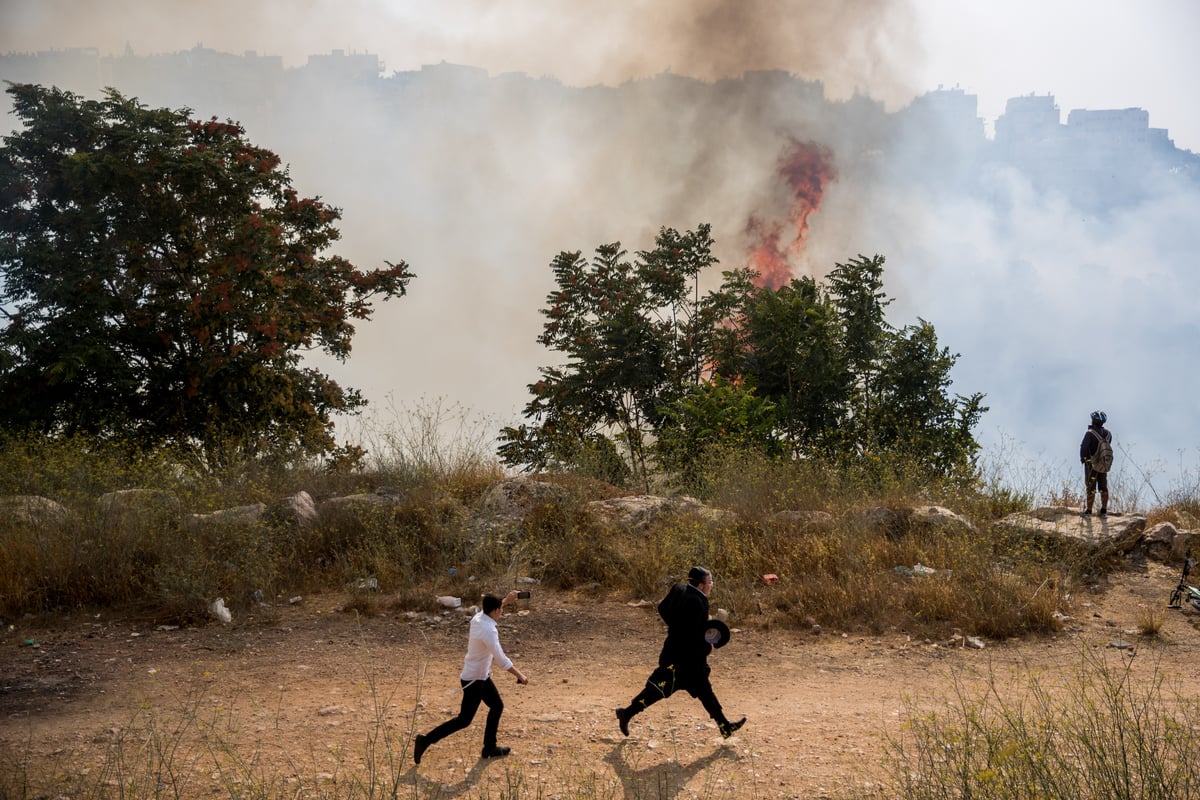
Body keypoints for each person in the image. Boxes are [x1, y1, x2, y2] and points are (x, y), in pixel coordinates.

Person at [615, 566, 745, 739]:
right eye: (710, 582)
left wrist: (675, 627)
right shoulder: (697, 603)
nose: (712, 585)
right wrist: (709, 648)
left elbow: (662, 608)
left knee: (703, 691)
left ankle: (724, 726)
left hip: (675, 654)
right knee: (656, 691)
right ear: (700, 585)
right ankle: (627, 713)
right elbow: (693, 637)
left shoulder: (679, 588)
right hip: (685, 661)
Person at [413, 591, 529, 764]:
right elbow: (501, 659)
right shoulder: (489, 631)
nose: (502, 612)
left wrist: (506, 601)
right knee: (464, 720)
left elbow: (492, 611)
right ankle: (426, 740)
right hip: (475, 680)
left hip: (479, 676)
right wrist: (520, 675)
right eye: (501, 609)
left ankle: (489, 748)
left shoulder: (478, 617)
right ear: (496, 611)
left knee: (497, 706)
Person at [1079, 410, 1112, 516]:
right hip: (1103, 464)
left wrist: (1084, 459)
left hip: (1091, 464)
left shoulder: (1089, 433)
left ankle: (1088, 511)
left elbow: (1084, 447)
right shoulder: (1108, 434)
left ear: (1093, 420)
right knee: (1103, 487)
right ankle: (1104, 510)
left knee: (1090, 487)